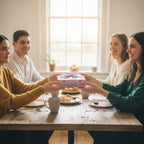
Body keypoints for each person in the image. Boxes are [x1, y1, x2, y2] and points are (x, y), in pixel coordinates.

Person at [82, 32, 144, 144]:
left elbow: (130, 104)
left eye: (133, 46)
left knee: (98, 129)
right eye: (129, 46)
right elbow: (119, 89)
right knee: (95, 127)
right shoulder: (134, 71)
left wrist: (99, 90)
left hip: (137, 124)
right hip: (128, 117)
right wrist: (95, 83)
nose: (128, 50)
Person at [0, 34, 59, 144]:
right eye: (4, 49)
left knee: (44, 130)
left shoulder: (5, 71)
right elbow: (12, 102)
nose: (8, 52)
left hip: (7, 120)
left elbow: (23, 88)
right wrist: (42, 89)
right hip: (3, 125)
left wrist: (47, 81)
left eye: (8, 48)